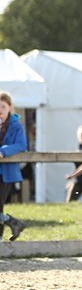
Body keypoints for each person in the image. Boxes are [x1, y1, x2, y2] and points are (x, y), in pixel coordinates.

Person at [0, 91, 29, 240]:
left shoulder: (16, 126)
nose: (0, 110)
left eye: (3, 107)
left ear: (10, 107)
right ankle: (12, 222)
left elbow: (21, 145)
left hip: (6, 173)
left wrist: (3, 152)